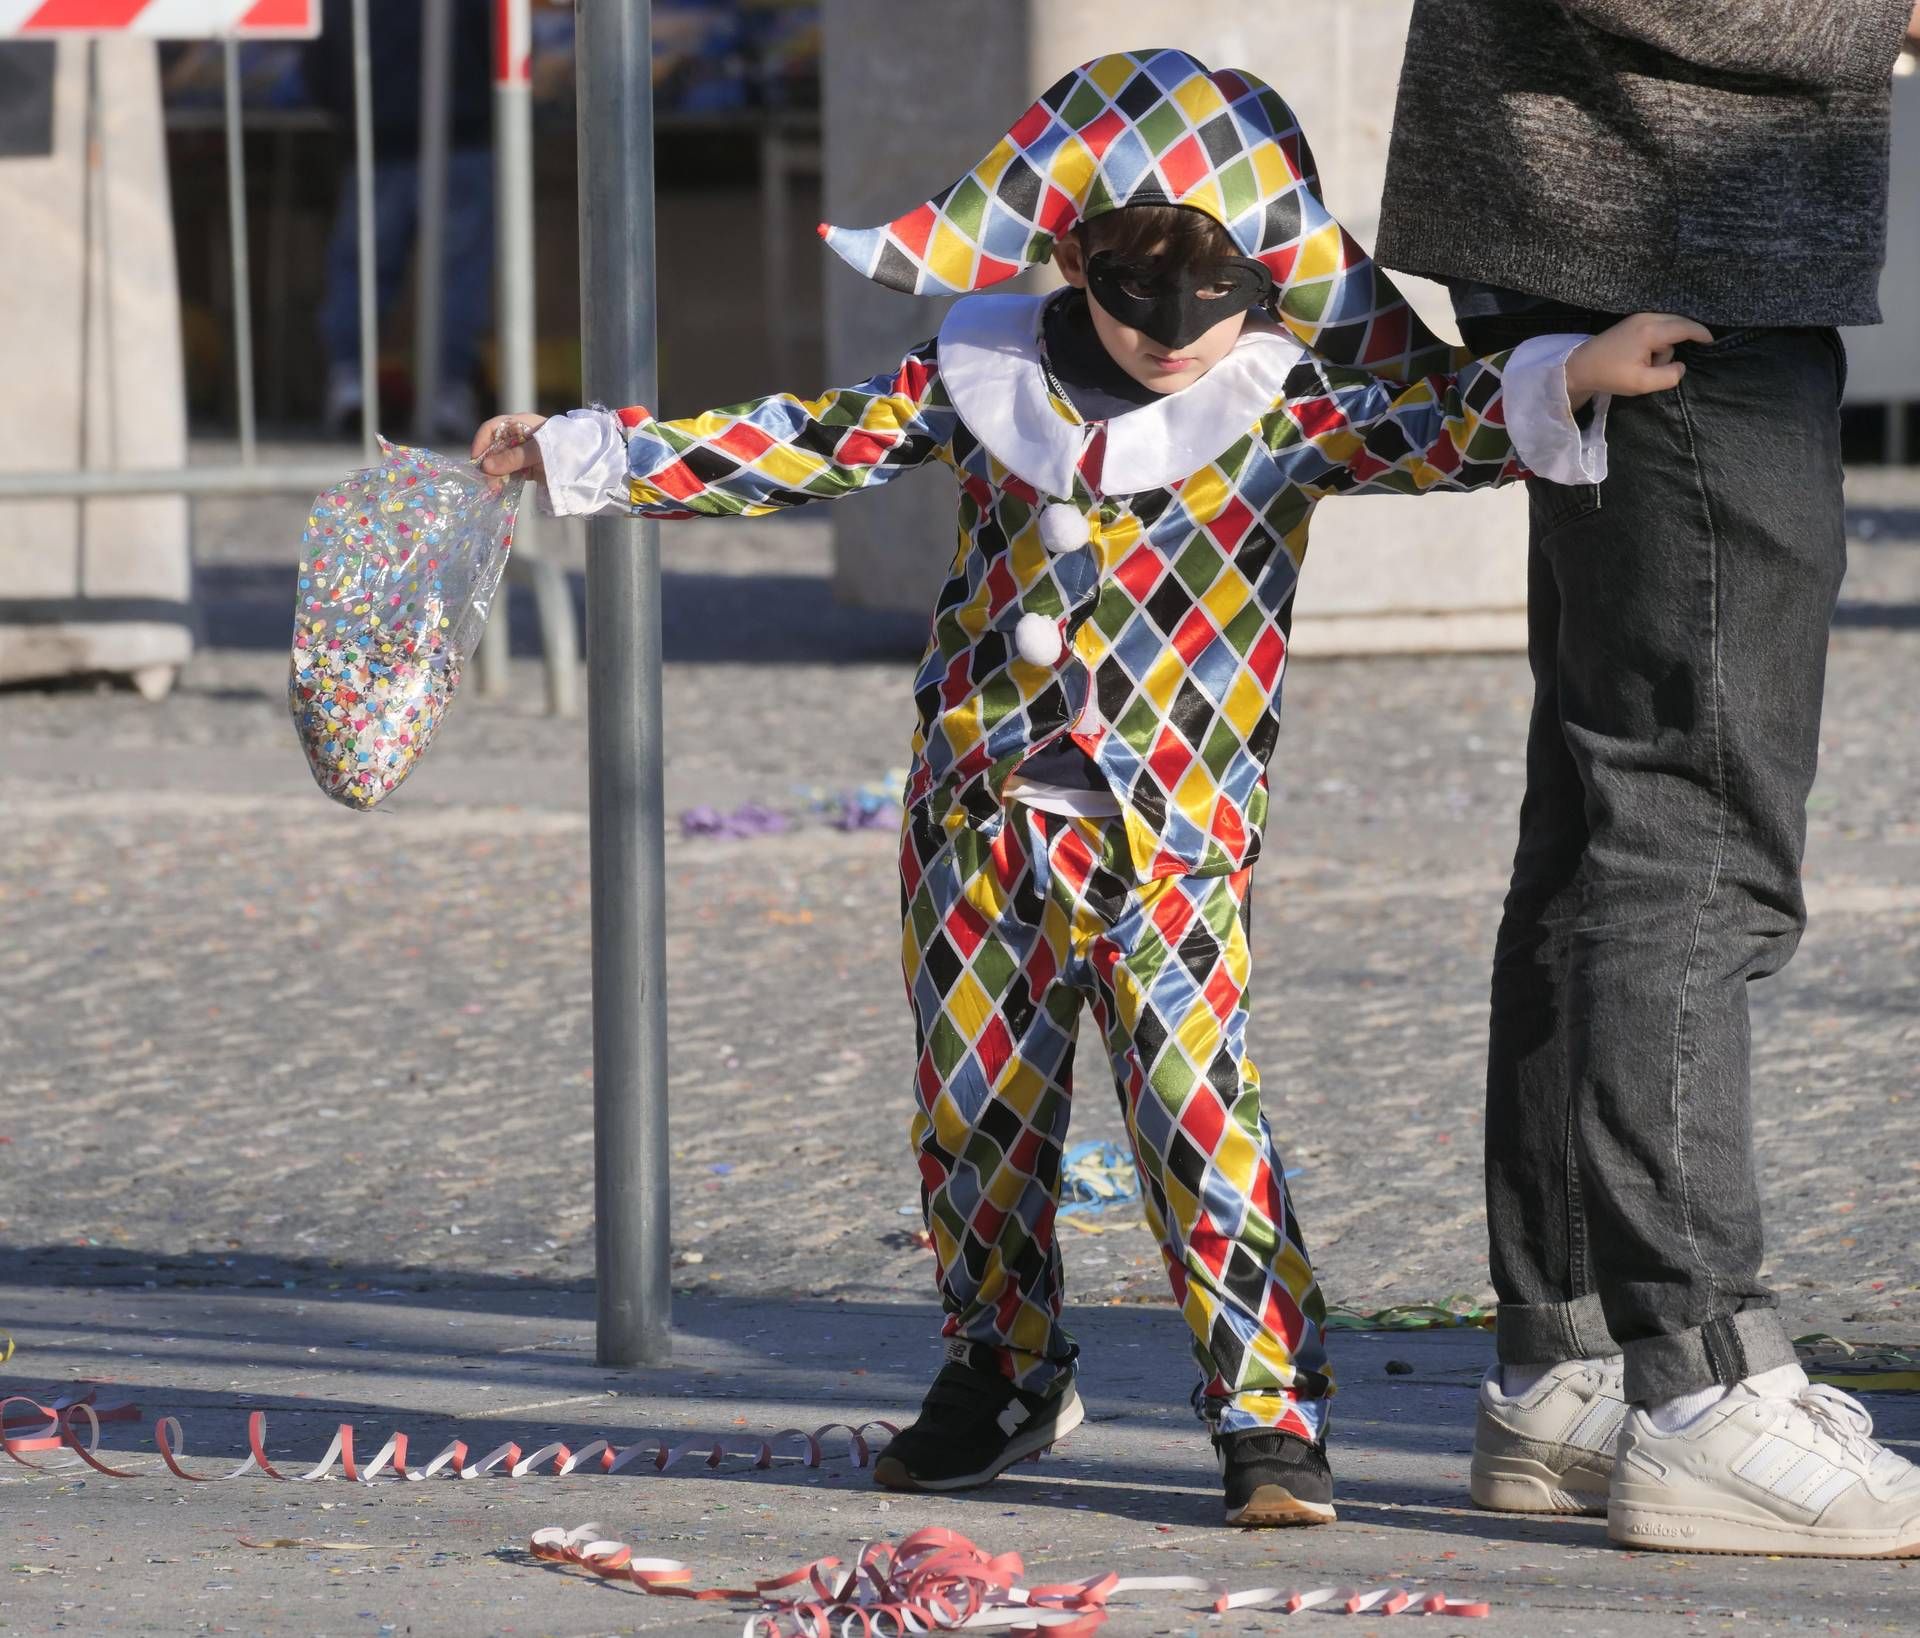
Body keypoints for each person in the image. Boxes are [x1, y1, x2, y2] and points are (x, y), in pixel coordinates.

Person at [476, 48, 1698, 1527]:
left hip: (1172, 832)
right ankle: (1002, 1367)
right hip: (976, 818)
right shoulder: (976, 373)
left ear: (1276, 275)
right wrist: (585, 452)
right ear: (1070, 255)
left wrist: (1575, 369)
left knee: (1195, 1107)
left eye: (1220, 295)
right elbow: (808, 441)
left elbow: (1432, 424)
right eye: (1136, 295)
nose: (1177, 334)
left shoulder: (1279, 401)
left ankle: (1266, 1412)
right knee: (976, 1109)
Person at [1377, 0, 1920, 1558]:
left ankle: (1578, 1368)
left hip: (1645, 235)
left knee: (1613, 819)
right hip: (1663, 247)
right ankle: (1706, 1384)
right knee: (1694, 835)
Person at [307, 0, 496, 440]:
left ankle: (349, 382)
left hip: (379, 135)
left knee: (365, 266)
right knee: (457, 272)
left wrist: (348, 112)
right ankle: (446, 389)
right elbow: (491, 40)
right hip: (459, 132)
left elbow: (320, 59)